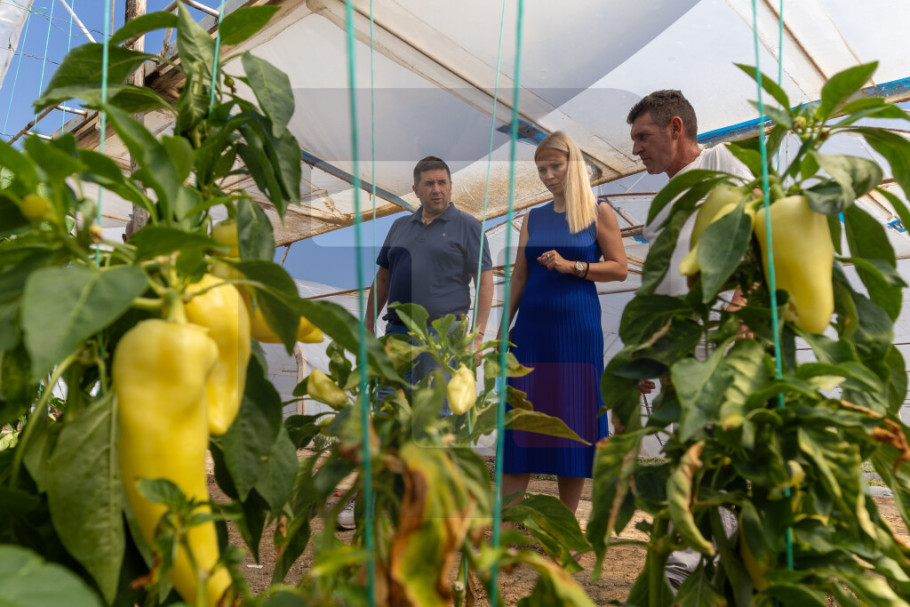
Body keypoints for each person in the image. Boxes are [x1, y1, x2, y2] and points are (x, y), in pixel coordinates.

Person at [627, 89, 752, 588]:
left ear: (675, 128)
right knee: (689, 452)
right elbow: (661, 282)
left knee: (720, 452)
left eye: (643, 136)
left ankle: (699, 566)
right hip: (682, 344)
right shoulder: (661, 204)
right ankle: (700, 564)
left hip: (725, 337)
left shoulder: (722, 163)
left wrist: (740, 305)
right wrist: (649, 350)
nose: (636, 148)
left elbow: (756, 233)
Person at [337, 155, 494, 529]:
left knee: (436, 420)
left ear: (450, 185)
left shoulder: (468, 227)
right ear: (416, 189)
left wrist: (479, 335)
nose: (437, 189)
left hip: (443, 339)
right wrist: (367, 328)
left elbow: (485, 280)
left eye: (442, 182)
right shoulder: (399, 227)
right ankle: (370, 501)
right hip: (397, 335)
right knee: (386, 415)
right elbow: (383, 280)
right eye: (429, 184)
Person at [499, 131, 628, 515]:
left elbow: (619, 268)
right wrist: (503, 331)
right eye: (542, 169)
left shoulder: (597, 211)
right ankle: (508, 526)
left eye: (555, 166)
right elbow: (519, 276)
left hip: (576, 332)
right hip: (531, 334)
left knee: (574, 419)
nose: (549, 175)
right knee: (520, 420)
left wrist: (573, 266)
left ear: (574, 165)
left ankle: (565, 526)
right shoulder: (533, 217)